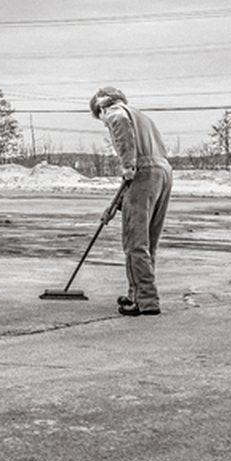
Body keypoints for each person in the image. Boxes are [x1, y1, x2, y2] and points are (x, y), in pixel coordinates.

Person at [90, 86, 173, 316]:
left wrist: (128, 166)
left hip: (144, 171)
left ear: (101, 106)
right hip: (162, 171)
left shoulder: (115, 112)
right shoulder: (141, 115)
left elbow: (123, 134)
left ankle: (145, 301)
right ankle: (137, 292)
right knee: (148, 240)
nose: (103, 120)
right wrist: (117, 205)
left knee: (134, 241)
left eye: (100, 116)